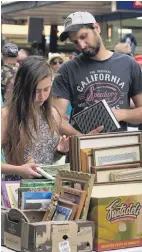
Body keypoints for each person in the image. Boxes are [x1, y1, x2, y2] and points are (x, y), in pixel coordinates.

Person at [52, 11, 142, 137]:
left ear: (97, 28)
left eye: (83, 37)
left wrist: (121, 114)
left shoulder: (129, 64)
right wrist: (82, 138)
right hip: (82, 152)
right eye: (75, 42)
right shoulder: (67, 70)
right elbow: (56, 119)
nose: (81, 45)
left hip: (119, 148)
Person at [1, 56, 68, 180]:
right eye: (36, 91)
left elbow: (50, 158)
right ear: (23, 88)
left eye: (46, 89)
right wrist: (18, 170)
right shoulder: (6, 116)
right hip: (17, 190)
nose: (42, 96)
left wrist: (60, 150)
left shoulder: (52, 113)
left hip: (48, 189)